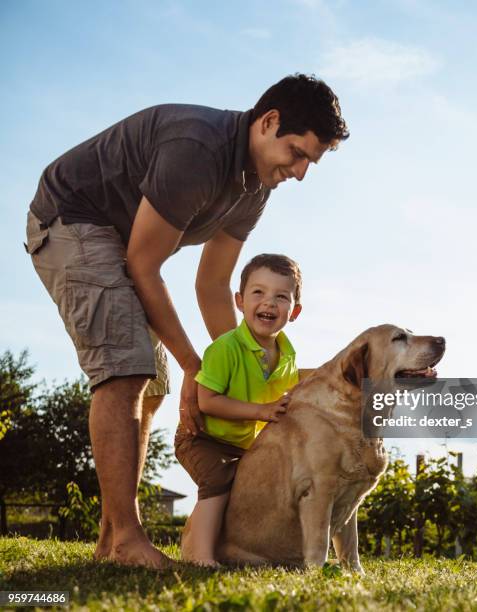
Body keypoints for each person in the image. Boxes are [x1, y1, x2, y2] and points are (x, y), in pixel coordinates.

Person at [24, 74, 349, 568]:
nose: (301, 172)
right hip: (72, 221)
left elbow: (213, 284)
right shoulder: (197, 150)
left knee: (152, 386)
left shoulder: (255, 188)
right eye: (297, 153)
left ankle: (111, 542)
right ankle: (128, 542)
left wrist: (240, 366)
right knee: (126, 371)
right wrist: (196, 365)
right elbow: (143, 264)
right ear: (269, 122)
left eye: (310, 162)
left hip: (120, 244)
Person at [176, 253, 302, 566]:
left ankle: (214, 544)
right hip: (202, 439)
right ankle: (201, 557)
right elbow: (208, 401)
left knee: (251, 489)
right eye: (258, 292)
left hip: (239, 445)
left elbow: (290, 389)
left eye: (281, 296)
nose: (269, 303)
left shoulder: (286, 354)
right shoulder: (225, 347)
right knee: (218, 482)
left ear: (294, 311)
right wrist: (262, 411)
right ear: (239, 301)